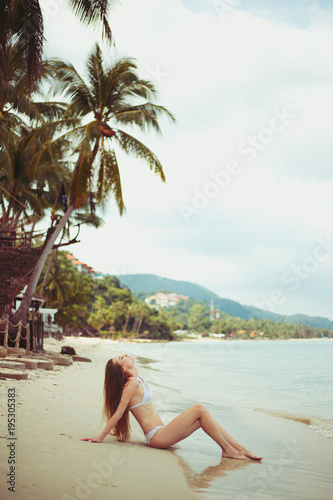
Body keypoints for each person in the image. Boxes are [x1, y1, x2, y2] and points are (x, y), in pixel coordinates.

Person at [81, 354, 262, 461]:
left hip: (162, 432)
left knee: (204, 418)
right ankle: (227, 450)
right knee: (200, 408)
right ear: (122, 370)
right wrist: (100, 436)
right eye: (122, 357)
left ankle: (239, 448)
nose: (126, 354)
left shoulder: (137, 380)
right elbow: (119, 412)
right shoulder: (131, 385)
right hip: (157, 437)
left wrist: (113, 431)